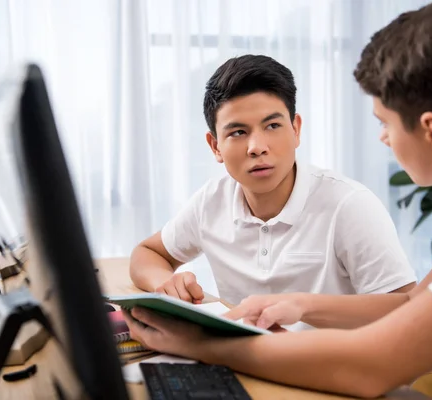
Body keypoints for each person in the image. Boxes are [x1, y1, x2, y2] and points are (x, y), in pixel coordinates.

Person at [123, 0, 432, 398]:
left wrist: (198, 345)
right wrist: (301, 304)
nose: (383, 138)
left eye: (384, 122)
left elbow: (374, 364)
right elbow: (414, 304)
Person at [129, 54, 416, 314]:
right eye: (238, 132)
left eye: (272, 126)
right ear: (215, 146)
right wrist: (166, 283)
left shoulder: (350, 205)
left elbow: (405, 312)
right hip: (246, 361)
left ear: (296, 130)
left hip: (331, 365)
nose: (257, 147)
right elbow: (148, 253)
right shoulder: (211, 200)